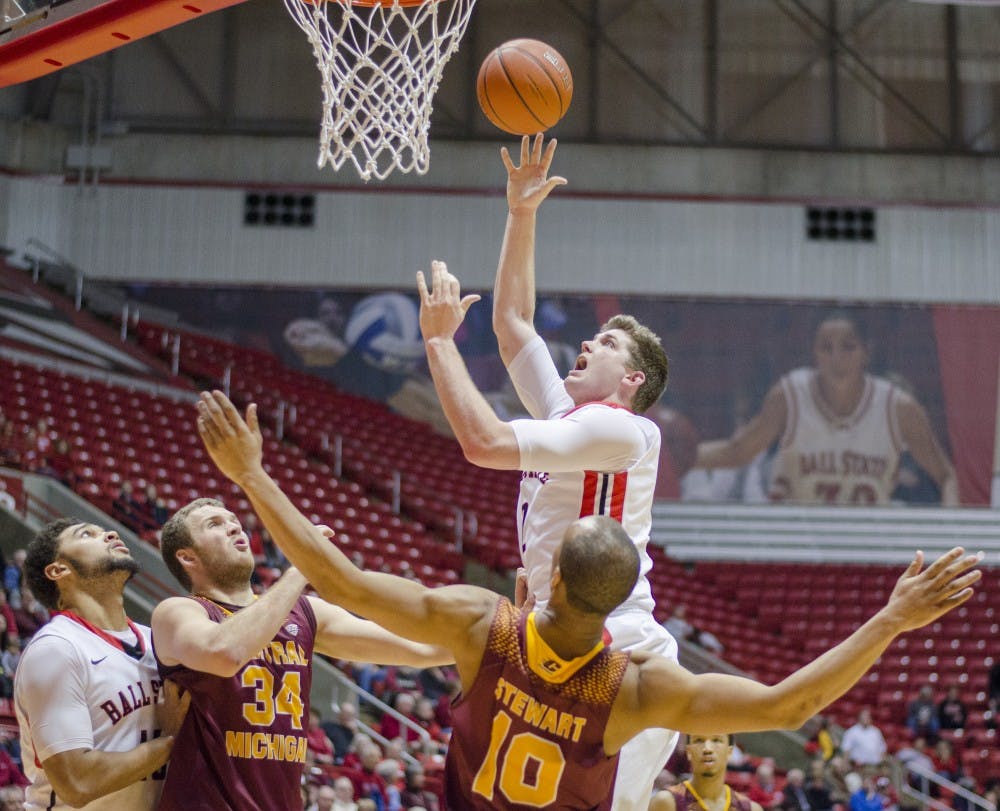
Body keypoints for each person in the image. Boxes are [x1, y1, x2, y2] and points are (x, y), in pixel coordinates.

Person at [193, 387, 981, 811]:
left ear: (550, 579)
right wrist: (892, 618)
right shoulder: (635, 690)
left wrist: (253, 475)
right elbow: (785, 708)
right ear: (616, 604)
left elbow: (342, 581)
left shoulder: (480, 623)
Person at [422, 134, 679, 809]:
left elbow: (481, 440)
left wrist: (439, 343)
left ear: (630, 379)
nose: (588, 341)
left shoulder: (619, 428)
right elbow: (512, 324)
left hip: (616, 642)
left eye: (608, 343)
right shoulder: (573, 413)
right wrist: (522, 212)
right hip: (557, 636)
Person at [150, 498, 452, 811]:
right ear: (187, 557)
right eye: (214, 524)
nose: (233, 526)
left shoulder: (304, 612)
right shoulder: (178, 613)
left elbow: (419, 649)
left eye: (233, 520)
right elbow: (225, 653)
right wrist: (299, 571)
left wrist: (498, 632)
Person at [694, 312, 958, 506]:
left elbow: (946, 476)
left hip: (866, 539)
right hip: (796, 536)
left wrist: (951, 540)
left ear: (867, 352)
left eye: (848, 347)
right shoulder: (789, 396)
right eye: (826, 347)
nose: (836, 358)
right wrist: (673, 456)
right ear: (815, 353)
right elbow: (737, 452)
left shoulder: (897, 407)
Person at [14, 519, 189, 810]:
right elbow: (77, 783)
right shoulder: (57, 648)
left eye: (104, 530)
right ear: (59, 570)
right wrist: (171, 742)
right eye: (87, 534)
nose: (110, 532)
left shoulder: (157, 642)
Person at [648, 733, 763, 811]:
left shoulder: (751, 808)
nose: (707, 748)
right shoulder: (665, 803)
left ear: (730, 752)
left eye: (716, 740)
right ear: (688, 751)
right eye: (699, 740)